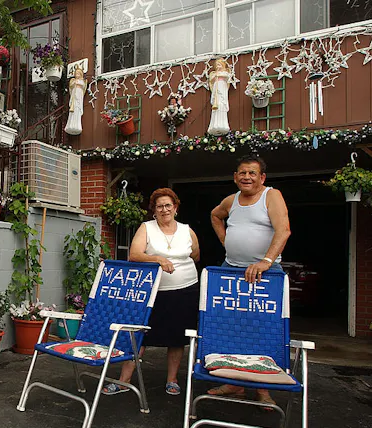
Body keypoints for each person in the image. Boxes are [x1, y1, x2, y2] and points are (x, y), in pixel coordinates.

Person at [209, 154, 291, 408]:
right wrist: (226, 241)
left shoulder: (271, 196)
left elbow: (284, 230)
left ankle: (263, 388)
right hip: (231, 271)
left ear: (262, 177)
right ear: (235, 177)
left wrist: (266, 261)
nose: (246, 177)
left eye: (252, 173)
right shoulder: (231, 200)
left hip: (264, 274)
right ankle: (234, 383)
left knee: (262, 330)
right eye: (242, 173)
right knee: (231, 327)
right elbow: (215, 215)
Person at [102, 188, 201, 396]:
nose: (164, 209)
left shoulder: (187, 230)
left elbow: (195, 255)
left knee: (177, 336)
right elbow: (135, 254)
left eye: (168, 205)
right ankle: (123, 380)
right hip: (152, 291)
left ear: (175, 207)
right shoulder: (147, 228)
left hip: (185, 290)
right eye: (159, 206)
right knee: (139, 334)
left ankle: (172, 380)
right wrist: (157, 259)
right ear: (154, 210)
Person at [207, 58, 231, 136]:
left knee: (221, 105)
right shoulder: (214, 74)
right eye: (217, 65)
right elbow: (211, 79)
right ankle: (214, 124)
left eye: (219, 64)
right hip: (216, 89)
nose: (218, 66)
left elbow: (227, 77)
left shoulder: (225, 72)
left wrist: (219, 74)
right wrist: (215, 76)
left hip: (222, 88)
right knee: (216, 106)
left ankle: (223, 124)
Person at [64, 66, 86, 136]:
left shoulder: (83, 81)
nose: (77, 75)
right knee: (73, 111)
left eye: (78, 74)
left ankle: (77, 125)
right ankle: (70, 125)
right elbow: (71, 86)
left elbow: (83, 86)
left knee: (77, 110)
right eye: (76, 74)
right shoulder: (73, 80)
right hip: (74, 96)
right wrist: (74, 83)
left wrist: (78, 84)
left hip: (79, 96)